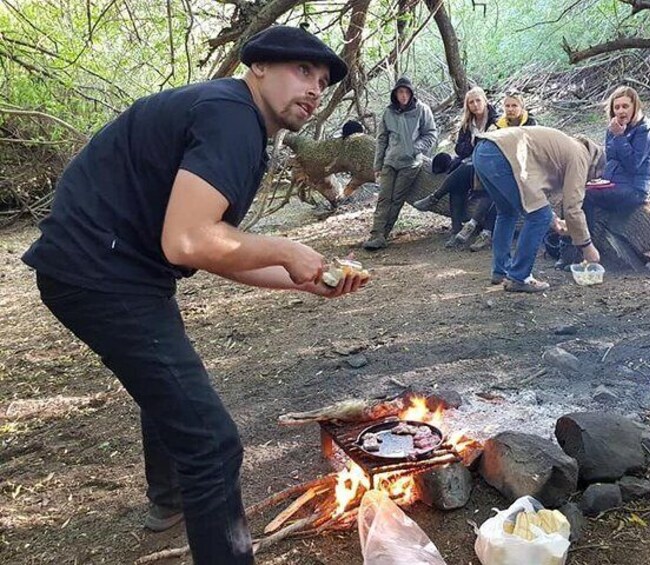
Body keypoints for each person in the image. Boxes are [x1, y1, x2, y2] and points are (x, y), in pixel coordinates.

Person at [21, 25, 368, 565]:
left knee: (169, 385)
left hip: (113, 267)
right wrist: (284, 246)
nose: (314, 89)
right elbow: (187, 240)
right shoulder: (232, 116)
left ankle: (170, 501)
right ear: (258, 66)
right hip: (102, 273)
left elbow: (212, 247)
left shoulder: (234, 117)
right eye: (302, 71)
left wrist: (304, 278)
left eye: (322, 81)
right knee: (212, 444)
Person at [472, 126, 603, 293]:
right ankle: (519, 277)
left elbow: (537, 189)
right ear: (596, 167)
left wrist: (554, 220)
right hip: (502, 155)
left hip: (483, 150)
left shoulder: (568, 146)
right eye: (593, 177)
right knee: (539, 216)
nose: (589, 180)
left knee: (507, 212)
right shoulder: (581, 157)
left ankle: (501, 271)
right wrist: (588, 247)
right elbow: (572, 208)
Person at [412, 87, 499, 246]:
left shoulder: (497, 121)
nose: (475, 105)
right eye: (471, 102)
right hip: (471, 165)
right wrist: (474, 146)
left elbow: (493, 148)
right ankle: (456, 231)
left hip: (489, 167)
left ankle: (435, 197)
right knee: (457, 186)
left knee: (465, 168)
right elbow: (459, 148)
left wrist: (475, 147)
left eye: (478, 100)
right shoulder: (468, 123)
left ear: (485, 101)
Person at [455, 91, 539, 250]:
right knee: (495, 188)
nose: (510, 109)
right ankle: (476, 227)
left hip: (525, 169)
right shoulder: (499, 124)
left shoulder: (531, 124)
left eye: (514, 105)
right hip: (504, 167)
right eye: (507, 105)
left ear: (522, 107)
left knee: (502, 192)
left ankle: (482, 229)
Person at [363, 77, 437, 250]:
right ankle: (376, 234)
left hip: (410, 163)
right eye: (400, 92)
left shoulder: (422, 110)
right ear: (395, 94)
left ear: (411, 93)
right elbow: (381, 139)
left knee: (397, 199)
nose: (403, 96)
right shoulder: (389, 112)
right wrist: (377, 165)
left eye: (406, 92)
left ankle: (384, 234)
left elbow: (431, 134)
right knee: (384, 198)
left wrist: (414, 148)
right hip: (390, 161)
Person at [583, 86, 650, 232]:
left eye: (625, 106)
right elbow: (610, 160)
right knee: (577, 190)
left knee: (585, 197)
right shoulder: (613, 128)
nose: (621, 111)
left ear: (635, 107)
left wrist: (619, 137)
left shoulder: (645, 130)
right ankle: (566, 241)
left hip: (634, 189)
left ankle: (586, 245)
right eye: (616, 107)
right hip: (613, 184)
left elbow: (633, 165)